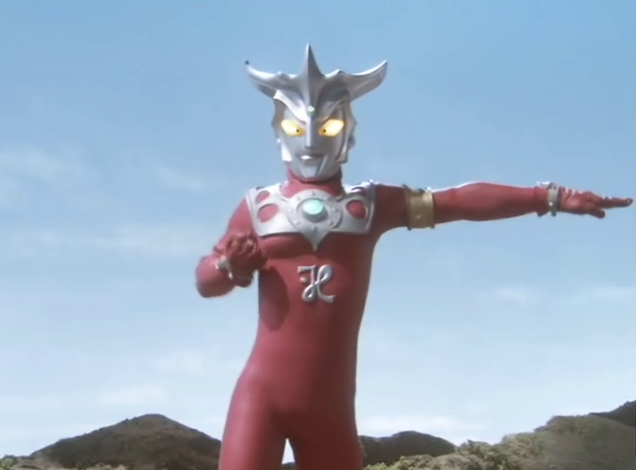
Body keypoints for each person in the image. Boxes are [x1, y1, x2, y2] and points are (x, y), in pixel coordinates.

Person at [195, 45, 632, 470]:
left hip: (330, 405)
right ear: (279, 131)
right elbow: (205, 280)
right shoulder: (258, 207)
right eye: (296, 128)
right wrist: (230, 267)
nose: (310, 141)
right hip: (262, 397)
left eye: (326, 129)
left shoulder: (372, 204)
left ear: (348, 131)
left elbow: (457, 202)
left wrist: (550, 196)